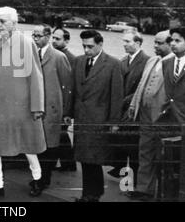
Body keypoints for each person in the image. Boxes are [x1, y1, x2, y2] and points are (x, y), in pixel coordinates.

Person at [0, 7, 46, 199]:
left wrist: (37, 106)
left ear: (14, 23)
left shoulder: (26, 43)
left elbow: (35, 76)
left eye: (2, 21)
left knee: (28, 145)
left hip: (21, 106)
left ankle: (38, 179)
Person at [72, 30, 124, 202]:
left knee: (94, 159)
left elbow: (117, 96)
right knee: (84, 158)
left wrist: (114, 121)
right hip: (82, 118)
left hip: (99, 120)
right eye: (84, 46)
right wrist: (68, 112)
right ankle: (89, 194)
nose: (86, 50)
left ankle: (93, 194)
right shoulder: (79, 61)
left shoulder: (113, 64)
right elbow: (74, 91)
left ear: (100, 44)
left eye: (90, 46)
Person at [125, 31, 174, 201]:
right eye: (155, 42)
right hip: (144, 114)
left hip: (162, 118)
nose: (155, 46)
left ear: (170, 44)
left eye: (159, 43)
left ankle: (159, 191)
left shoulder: (175, 64)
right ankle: (143, 188)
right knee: (144, 151)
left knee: (159, 155)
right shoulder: (152, 60)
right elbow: (141, 85)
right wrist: (133, 105)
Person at [33, 24, 72, 189]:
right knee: (36, 145)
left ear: (47, 36)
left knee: (50, 147)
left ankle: (44, 180)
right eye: (33, 35)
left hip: (51, 110)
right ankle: (38, 178)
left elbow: (67, 86)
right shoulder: (30, 55)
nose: (35, 38)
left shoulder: (58, 57)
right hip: (35, 109)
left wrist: (66, 112)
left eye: (39, 35)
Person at [108, 30, 149, 180]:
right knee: (122, 142)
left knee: (132, 146)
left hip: (134, 109)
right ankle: (122, 170)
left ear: (138, 43)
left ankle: (132, 178)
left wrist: (126, 100)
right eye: (123, 41)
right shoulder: (123, 61)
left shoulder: (146, 61)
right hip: (122, 107)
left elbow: (143, 87)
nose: (124, 44)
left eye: (127, 41)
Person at [52, 27, 77, 171]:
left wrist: (67, 110)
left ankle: (67, 163)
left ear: (66, 41)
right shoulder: (59, 55)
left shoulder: (69, 58)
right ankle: (68, 163)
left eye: (58, 39)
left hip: (62, 103)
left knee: (60, 134)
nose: (54, 41)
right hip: (58, 102)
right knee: (61, 134)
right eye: (53, 38)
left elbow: (69, 86)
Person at [162, 27, 185, 126]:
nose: (173, 43)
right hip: (169, 118)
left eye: (177, 41)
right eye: (171, 40)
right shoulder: (166, 63)